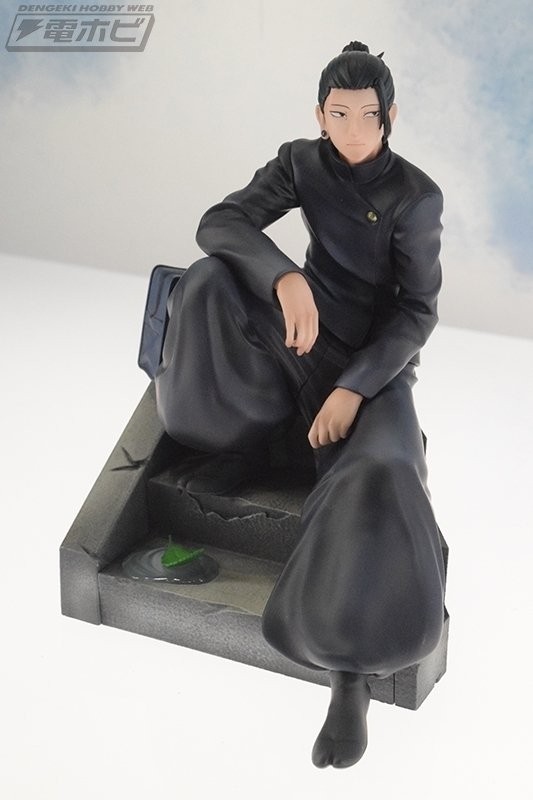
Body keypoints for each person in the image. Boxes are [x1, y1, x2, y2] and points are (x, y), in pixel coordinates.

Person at [155, 40, 446, 769]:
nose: (352, 131)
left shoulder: (415, 196)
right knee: (208, 279)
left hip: (371, 367)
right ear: (319, 115)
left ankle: (348, 674)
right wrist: (283, 277)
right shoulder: (301, 162)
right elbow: (221, 221)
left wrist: (355, 386)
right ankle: (237, 441)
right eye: (338, 114)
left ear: (390, 117)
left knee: (382, 472)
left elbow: (417, 310)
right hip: (302, 332)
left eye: (367, 115)